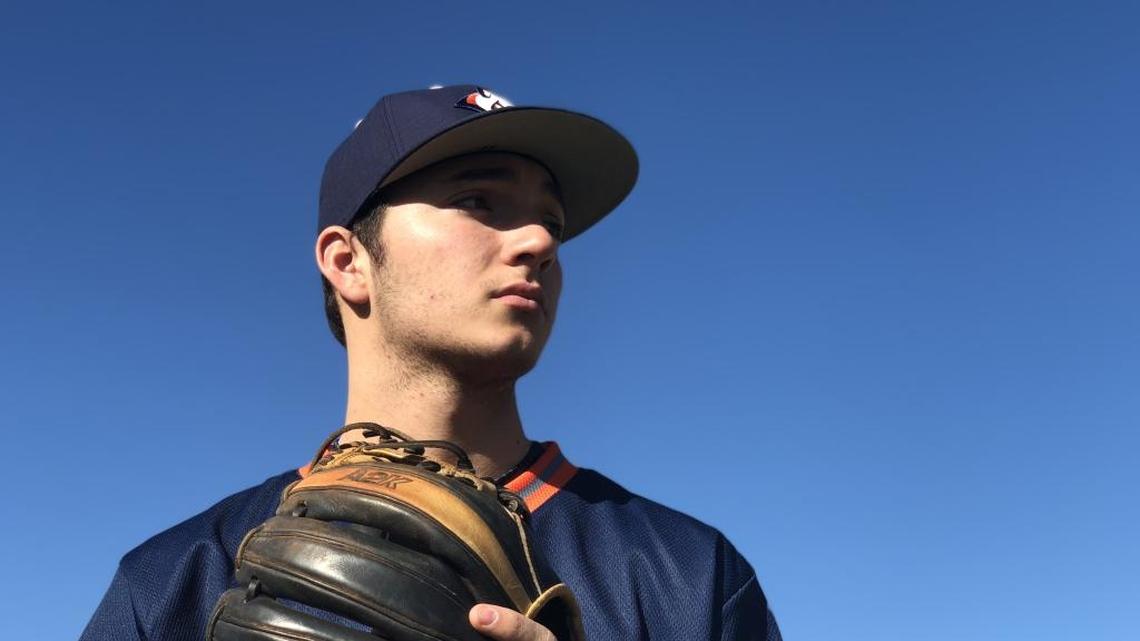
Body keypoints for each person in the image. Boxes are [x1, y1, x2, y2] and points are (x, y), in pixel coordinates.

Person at [80, 84, 783, 641]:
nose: (539, 238)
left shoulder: (689, 577)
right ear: (348, 261)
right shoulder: (172, 583)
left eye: (554, 223)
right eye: (478, 200)